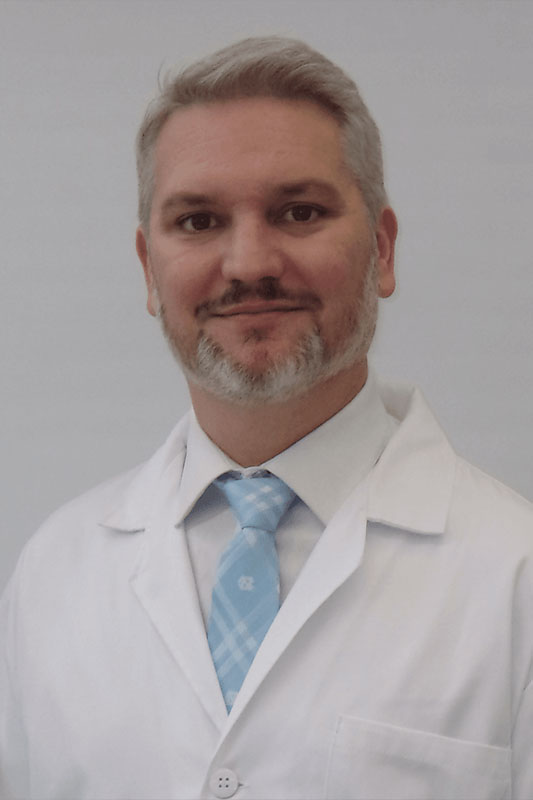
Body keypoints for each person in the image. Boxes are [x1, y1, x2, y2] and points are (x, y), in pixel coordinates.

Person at [1, 36, 532, 800]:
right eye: (197, 221)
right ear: (149, 269)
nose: (249, 262)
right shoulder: (53, 578)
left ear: (381, 251)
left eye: (298, 211)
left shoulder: (512, 577)